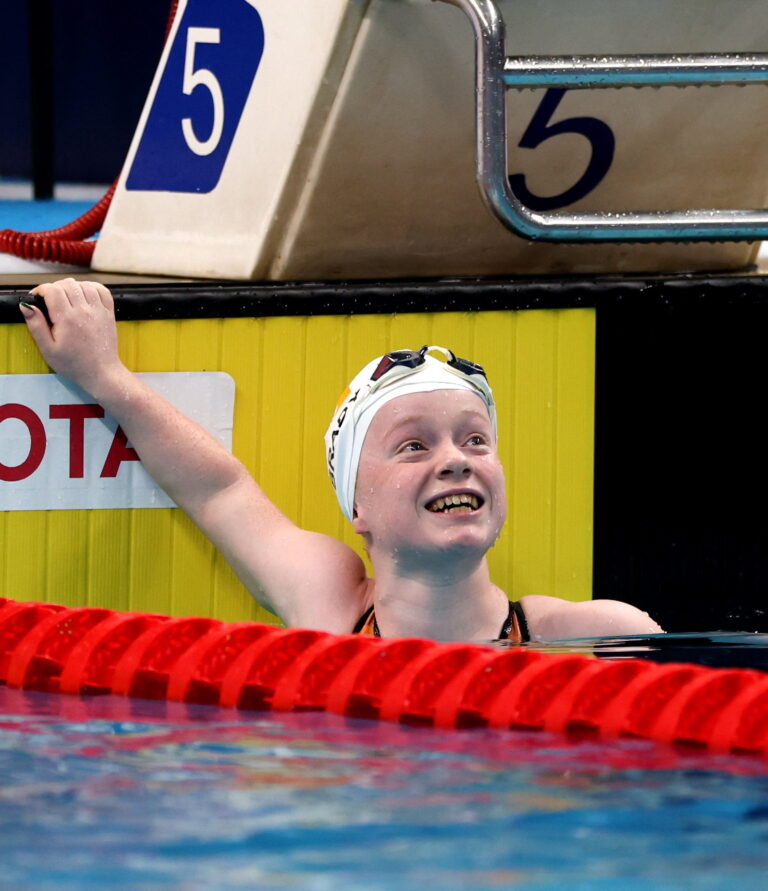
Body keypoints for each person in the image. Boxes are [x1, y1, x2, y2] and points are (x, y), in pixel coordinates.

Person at [19, 278, 662, 642]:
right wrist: (104, 375)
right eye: (415, 445)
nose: (455, 461)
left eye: (475, 441)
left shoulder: (593, 637)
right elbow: (220, 490)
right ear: (357, 507)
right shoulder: (331, 608)